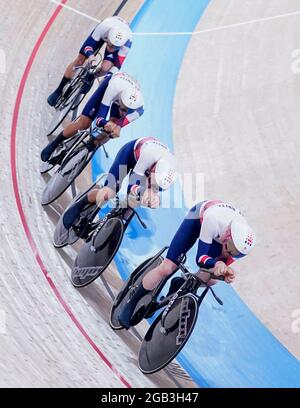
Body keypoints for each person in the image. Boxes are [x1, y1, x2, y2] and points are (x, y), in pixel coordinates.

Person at [118, 200, 256, 329]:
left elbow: (220, 265)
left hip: (221, 237)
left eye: (237, 255)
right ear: (227, 236)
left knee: (212, 279)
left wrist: (224, 273)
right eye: (231, 250)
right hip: (199, 219)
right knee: (167, 268)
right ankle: (131, 303)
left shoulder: (238, 245)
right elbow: (200, 258)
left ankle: (180, 283)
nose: (231, 255)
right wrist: (217, 263)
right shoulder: (213, 220)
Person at [53, 136, 178, 244]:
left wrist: (152, 199)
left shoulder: (166, 178)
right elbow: (132, 185)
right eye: (153, 178)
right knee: (108, 193)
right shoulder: (150, 155)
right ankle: (81, 203)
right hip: (129, 155)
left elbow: (151, 192)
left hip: (148, 170)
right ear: (154, 169)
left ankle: (112, 224)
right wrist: (142, 191)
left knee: (133, 203)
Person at [41, 72, 144, 163]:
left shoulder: (138, 111)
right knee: (84, 124)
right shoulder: (114, 88)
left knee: (110, 132)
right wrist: (105, 123)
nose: (124, 112)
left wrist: (115, 129)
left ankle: (85, 151)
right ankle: (55, 143)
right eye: (124, 109)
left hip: (124, 98)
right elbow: (100, 118)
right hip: (109, 86)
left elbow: (118, 127)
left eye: (126, 111)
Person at [47, 16, 132, 106]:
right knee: (80, 59)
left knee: (106, 68)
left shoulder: (127, 43)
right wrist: (90, 55)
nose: (111, 49)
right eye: (110, 45)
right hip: (105, 31)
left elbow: (117, 65)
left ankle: (92, 76)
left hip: (116, 36)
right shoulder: (104, 27)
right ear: (108, 38)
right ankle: (59, 89)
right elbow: (88, 46)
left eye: (115, 48)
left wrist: (107, 76)